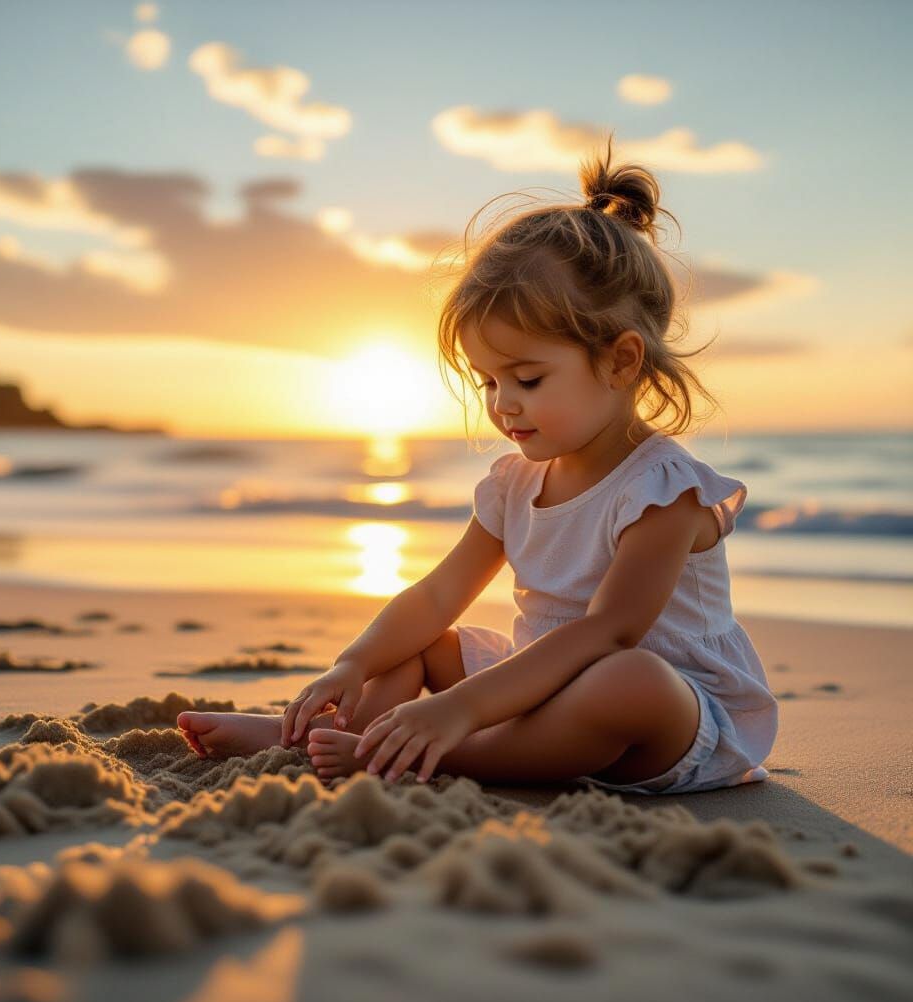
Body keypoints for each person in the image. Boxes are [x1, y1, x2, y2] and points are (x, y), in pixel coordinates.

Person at [178, 132, 778, 795]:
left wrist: (458, 709)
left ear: (621, 361)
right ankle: (329, 733)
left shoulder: (664, 493)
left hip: (665, 721)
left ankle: (434, 755)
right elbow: (438, 594)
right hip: (536, 692)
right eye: (488, 381)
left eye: (528, 378)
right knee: (423, 639)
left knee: (630, 679)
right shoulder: (515, 484)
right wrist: (352, 664)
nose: (502, 404)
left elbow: (608, 633)